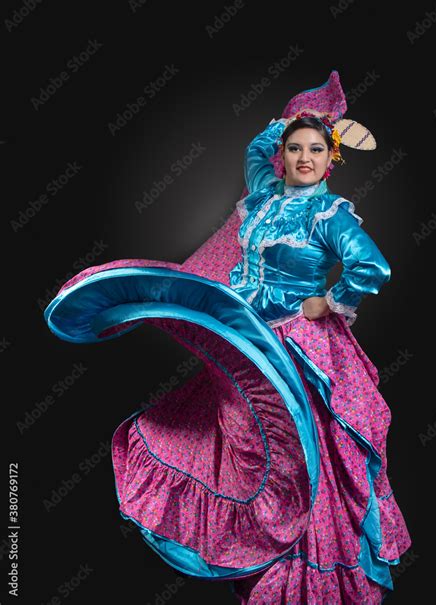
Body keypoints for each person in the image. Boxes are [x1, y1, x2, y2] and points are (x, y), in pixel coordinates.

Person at [44, 70, 412, 604]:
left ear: (332, 161)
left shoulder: (328, 213)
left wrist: (331, 303)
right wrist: (304, 120)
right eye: (294, 149)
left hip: (304, 350)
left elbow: (370, 267)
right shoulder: (262, 200)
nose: (304, 158)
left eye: (316, 150)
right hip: (251, 343)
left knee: (312, 462)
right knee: (252, 450)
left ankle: (313, 582)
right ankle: (259, 562)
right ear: (281, 157)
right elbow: (255, 148)